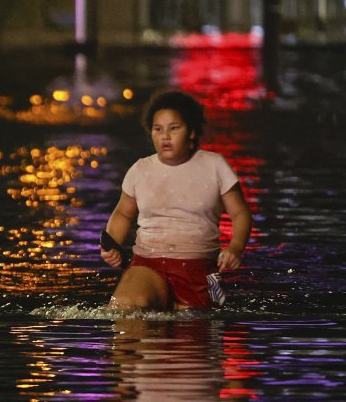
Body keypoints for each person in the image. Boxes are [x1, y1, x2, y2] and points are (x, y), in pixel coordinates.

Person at [99, 89, 252, 311]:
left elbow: (240, 214)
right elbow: (123, 213)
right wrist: (111, 245)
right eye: (158, 129)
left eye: (174, 128)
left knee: (192, 332)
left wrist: (235, 248)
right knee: (124, 308)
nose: (165, 136)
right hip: (147, 263)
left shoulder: (215, 166)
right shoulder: (140, 169)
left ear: (191, 131)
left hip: (198, 269)